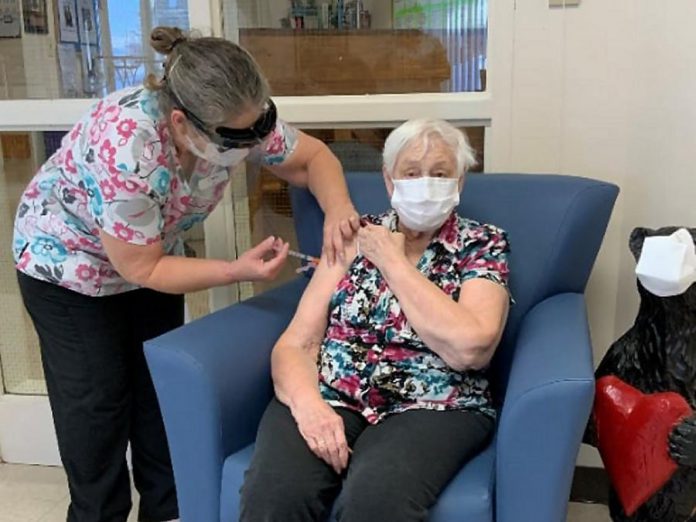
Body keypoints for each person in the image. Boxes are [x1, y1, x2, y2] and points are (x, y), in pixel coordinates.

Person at [13, 26, 359, 522]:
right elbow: (142, 265)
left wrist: (339, 210)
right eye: (237, 138)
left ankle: (169, 512)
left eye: (259, 128)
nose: (251, 146)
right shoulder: (126, 144)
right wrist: (235, 270)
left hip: (151, 257)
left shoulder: (240, 116)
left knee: (159, 397)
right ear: (180, 122)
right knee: (96, 408)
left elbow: (314, 159)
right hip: (69, 266)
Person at [239, 119, 511, 521]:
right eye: (411, 173)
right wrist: (310, 406)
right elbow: (295, 344)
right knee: (275, 495)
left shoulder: (482, 244)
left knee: (375, 503)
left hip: (434, 404)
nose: (425, 184)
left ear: (460, 182)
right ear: (389, 181)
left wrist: (392, 260)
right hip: (333, 391)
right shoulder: (351, 237)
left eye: (439, 174)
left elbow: (471, 347)